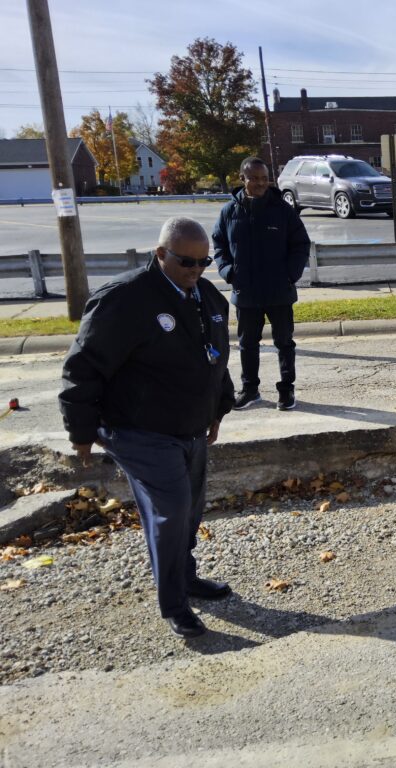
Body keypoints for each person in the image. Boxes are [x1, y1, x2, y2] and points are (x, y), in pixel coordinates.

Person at [59, 217, 236, 638]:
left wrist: (218, 409)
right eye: (185, 262)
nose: (195, 270)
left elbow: (216, 359)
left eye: (202, 262)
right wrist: (81, 431)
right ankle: (174, 603)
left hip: (189, 426)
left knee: (190, 508)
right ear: (160, 254)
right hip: (139, 428)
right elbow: (82, 368)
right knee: (171, 511)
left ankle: (186, 577)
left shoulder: (208, 297)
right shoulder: (124, 300)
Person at [213, 156, 310, 411]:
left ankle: (286, 390)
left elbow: (300, 243)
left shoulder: (282, 210)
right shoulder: (229, 211)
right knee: (247, 344)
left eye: (264, 178)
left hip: (279, 290)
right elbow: (219, 244)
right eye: (254, 178)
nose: (259, 183)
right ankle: (250, 389)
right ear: (242, 179)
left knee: (284, 343)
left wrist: (291, 274)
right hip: (245, 292)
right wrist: (228, 272)